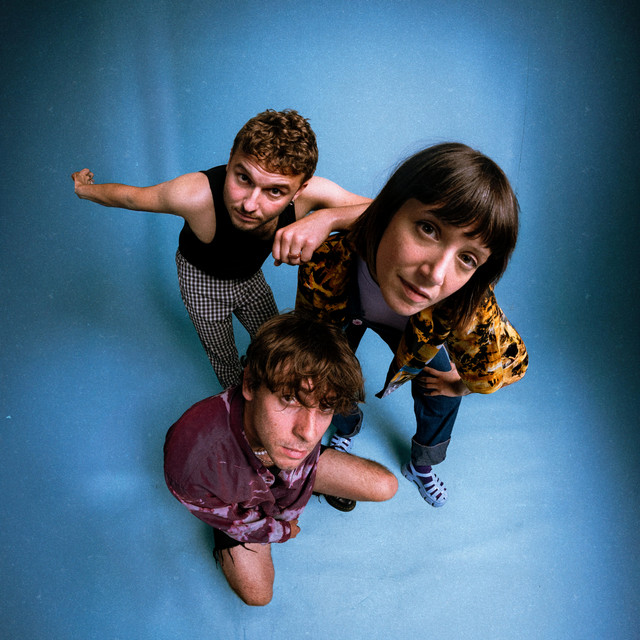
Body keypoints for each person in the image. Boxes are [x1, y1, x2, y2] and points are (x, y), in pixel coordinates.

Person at [296, 142, 529, 510]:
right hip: (344, 309)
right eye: (428, 229)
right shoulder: (328, 262)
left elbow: (503, 365)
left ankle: (421, 464)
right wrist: (328, 218)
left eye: (467, 258)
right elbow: (307, 334)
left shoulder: (468, 306)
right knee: (319, 369)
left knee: (441, 393)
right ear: (389, 211)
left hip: (419, 333)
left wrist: (459, 385)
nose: (435, 274)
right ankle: (345, 427)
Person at [71, 109, 370, 389]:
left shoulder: (311, 196)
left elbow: (385, 210)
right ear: (230, 160)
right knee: (224, 358)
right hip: (200, 283)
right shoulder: (193, 194)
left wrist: (326, 219)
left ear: (300, 190)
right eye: (244, 178)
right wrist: (84, 190)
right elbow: (130, 198)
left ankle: (273, 397)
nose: (250, 204)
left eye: (275, 191)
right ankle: (238, 399)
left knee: (276, 343)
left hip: (250, 279)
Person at [163, 311, 397, 606]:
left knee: (385, 486)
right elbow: (239, 520)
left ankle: (299, 484)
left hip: (292, 471)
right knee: (258, 595)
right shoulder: (192, 463)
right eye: (290, 399)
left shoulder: (293, 433)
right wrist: (282, 530)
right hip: (235, 505)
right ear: (250, 384)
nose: (308, 433)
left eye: (325, 407)